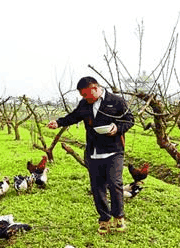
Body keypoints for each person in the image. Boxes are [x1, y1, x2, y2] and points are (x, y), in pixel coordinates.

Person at [47, 76, 134, 234]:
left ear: (95, 88)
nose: (84, 98)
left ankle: (119, 217)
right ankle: (104, 219)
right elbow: (74, 116)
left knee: (115, 184)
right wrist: (59, 122)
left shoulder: (116, 101)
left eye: (86, 94)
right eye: (82, 95)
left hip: (114, 150)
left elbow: (130, 120)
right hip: (93, 151)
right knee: (97, 187)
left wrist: (117, 128)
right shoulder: (84, 104)